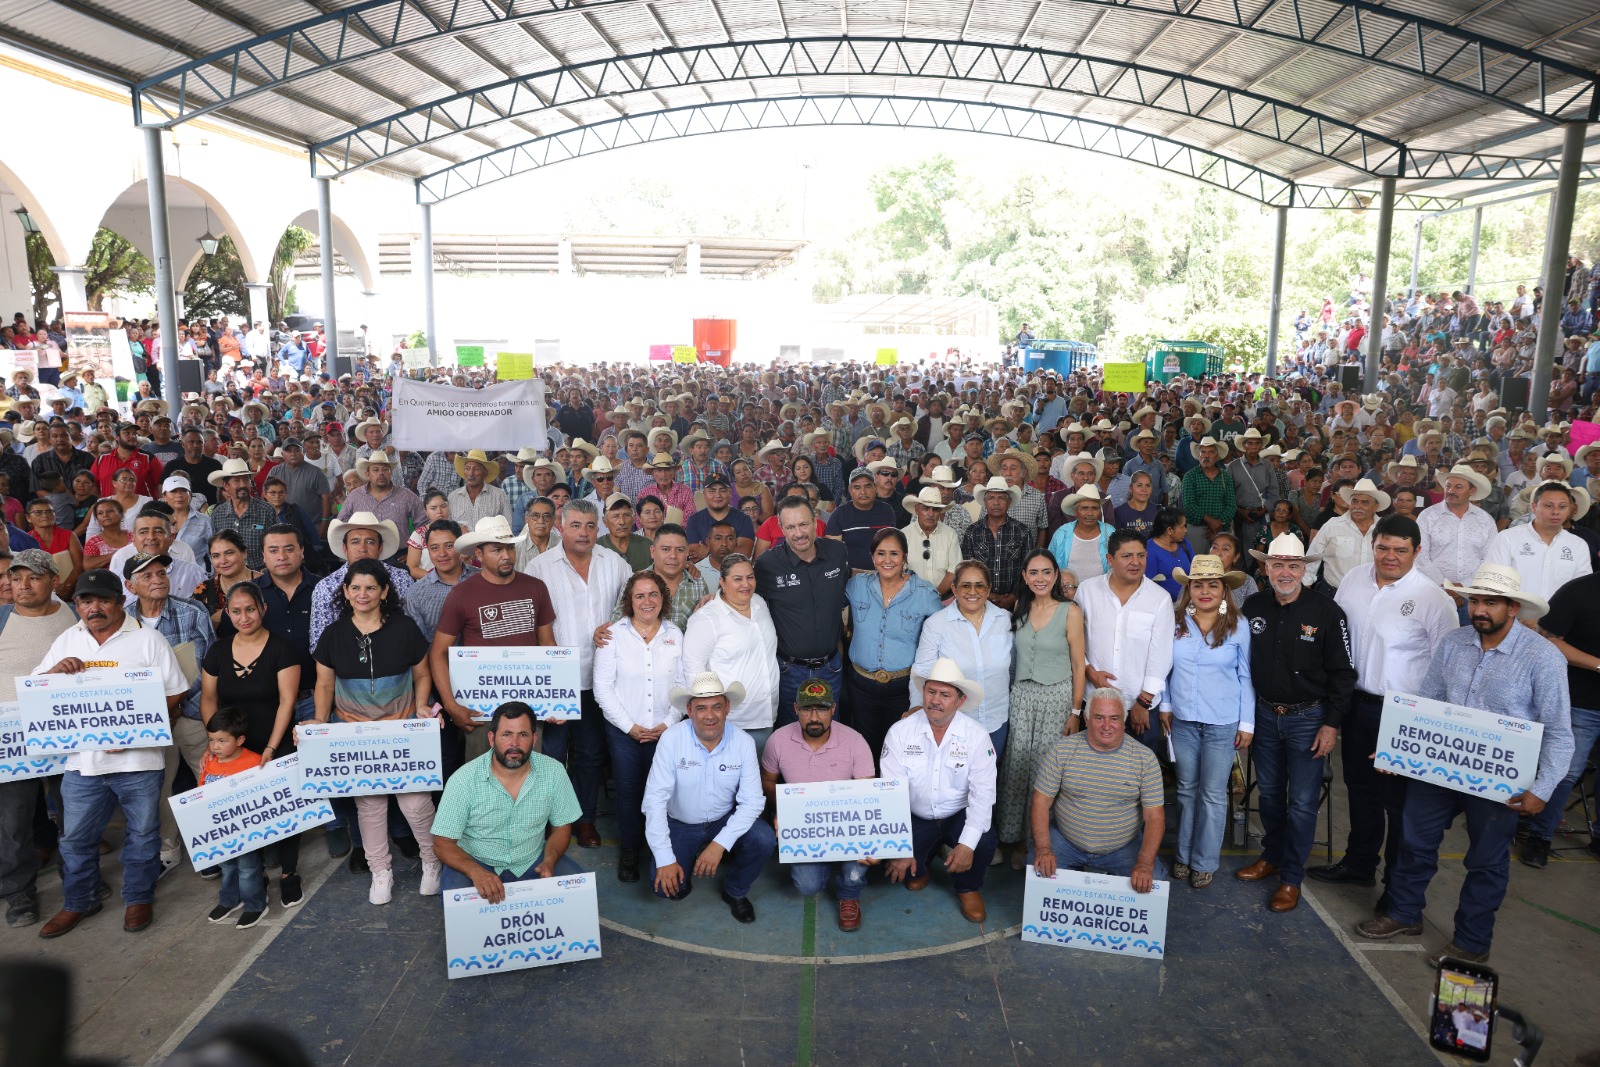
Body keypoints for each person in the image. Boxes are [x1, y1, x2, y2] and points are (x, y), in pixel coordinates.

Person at [1356, 564, 1573, 966]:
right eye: (1475, 600)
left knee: (1486, 860)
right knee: (1413, 839)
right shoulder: (1455, 642)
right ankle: (1404, 913)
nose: (1480, 610)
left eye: (1491, 602)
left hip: (1499, 779)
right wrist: (1398, 750)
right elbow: (1428, 702)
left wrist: (1541, 789)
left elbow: (1560, 733)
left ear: (1513, 608)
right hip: (1441, 764)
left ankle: (1472, 941)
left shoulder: (1542, 658)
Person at [34, 570, 188, 939]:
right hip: (83, 763)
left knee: (143, 833)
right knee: (74, 839)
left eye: (103, 600)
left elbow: (174, 694)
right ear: (78, 605)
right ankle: (79, 900)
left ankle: (138, 897)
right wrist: (56, 671)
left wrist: (133, 730)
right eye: (86, 601)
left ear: (121, 602)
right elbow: (38, 690)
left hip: (139, 761)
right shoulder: (67, 639)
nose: (94, 608)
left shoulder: (148, 640)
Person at [1309, 515, 1455, 902]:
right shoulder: (1355, 579)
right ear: (1373, 546)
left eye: (1400, 550)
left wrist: (1423, 724)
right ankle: (1359, 865)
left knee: (1400, 803)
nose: (1390, 557)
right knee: (1360, 790)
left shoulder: (1433, 600)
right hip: (1355, 703)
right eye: (1383, 548)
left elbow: (1446, 669)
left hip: (1404, 712)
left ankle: (1397, 887)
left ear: (1417, 552)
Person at [307, 558, 442, 906]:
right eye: (355, 588)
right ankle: (380, 871)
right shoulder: (333, 634)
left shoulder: (405, 628)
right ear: (345, 592)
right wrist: (320, 722)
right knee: (369, 806)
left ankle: (433, 861)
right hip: (355, 735)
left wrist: (423, 706)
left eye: (370, 587)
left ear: (384, 592)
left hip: (401, 730)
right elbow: (324, 685)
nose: (362, 594)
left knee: (415, 803)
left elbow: (422, 674)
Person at [1237, 532, 1357, 913]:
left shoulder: (1327, 612)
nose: (1285, 572)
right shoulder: (1253, 606)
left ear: (1304, 569)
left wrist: (1332, 724)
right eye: (1277, 565)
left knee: (1303, 803)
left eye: (1293, 565)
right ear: (1265, 567)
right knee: (1269, 795)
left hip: (1310, 718)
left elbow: (1343, 673)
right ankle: (1272, 856)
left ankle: (1291, 877)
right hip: (1265, 714)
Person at [525, 499, 632, 848]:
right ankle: (550, 821)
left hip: (601, 680)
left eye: (589, 526)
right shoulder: (539, 568)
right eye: (575, 525)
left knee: (590, 754)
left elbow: (633, 608)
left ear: (598, 527)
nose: (583, 533)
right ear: (561, 526)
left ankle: (584, 819)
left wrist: (616, 624)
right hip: (556, 680)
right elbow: (531, 624)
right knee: (551, 755)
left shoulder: (615, 563)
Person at [200, 581, 305, 907]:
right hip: (234, 748)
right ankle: (253, 871)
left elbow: (287, 702)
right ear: (227, 613)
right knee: (243, 813)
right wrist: (216, 742)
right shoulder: (217, 650)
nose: (243, 617)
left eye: (250, 609)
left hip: (275, 740)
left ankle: (288, 873)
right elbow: (208, 699)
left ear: (263, 609)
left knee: (285, 809)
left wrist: (272, 749)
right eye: (235, 611)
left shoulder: (282, 648)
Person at [642, 671, 776, 923]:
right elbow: (654, 801)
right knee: (663, 889)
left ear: (727, 708)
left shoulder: (744, 742)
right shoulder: (671, 739)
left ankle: (735, 890)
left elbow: (753, 802)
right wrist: (665, 858)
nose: (710, 716)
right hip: (680, 823)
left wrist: (719, 844)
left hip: (722, 819)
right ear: (689, 711)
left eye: (716, 707)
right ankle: (686, 863)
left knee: (764, 839)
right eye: (701, 708)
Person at [430, 516, 557, 769]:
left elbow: (548, 645)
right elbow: (438, 653)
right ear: (479, 553)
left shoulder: (536, 588)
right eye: (497, 549)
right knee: (481, 778)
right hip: (481, 711)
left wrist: (557, 700)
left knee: (529, 774)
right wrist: (452, 705)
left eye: (509, 547)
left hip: (529, 704)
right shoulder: (461, 594)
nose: (506, 555)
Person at [881, 658, 999, 923]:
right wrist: (898, 848)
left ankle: (967, 886)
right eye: (930, 691)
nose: (935, 700)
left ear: (960, 700)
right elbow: (891, 794)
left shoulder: (977, 737)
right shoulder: (899, 733)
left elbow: (983, 796)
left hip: (957, 814)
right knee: (898, 870)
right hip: (914, 816)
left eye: (945, 694)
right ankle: (921, 862)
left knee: (983, 840)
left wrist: (966, 845)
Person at [430, 701, 585, 902]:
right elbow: (442, 844)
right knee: (458, 908)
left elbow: (562, 828)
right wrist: (476, 872)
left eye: (523, 735)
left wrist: (550, 860)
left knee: (580, 896)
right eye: (506, 734)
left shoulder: (554, 771)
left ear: (534, 738)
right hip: (477, 861)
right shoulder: (463, 779)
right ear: (492, 739)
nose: (515, 743)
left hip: (532, 859)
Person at [1161, 555, 1253, 889]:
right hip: (1183, 720)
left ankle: (1204, 861)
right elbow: (1166, 669)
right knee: (1186, 790)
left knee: (1213, 795)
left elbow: (1247, 676)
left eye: (1212, 585)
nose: (1204, 591)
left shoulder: (1238, 626)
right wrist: (1166, 706)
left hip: (1223, 721)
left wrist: (1247, 723)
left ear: (1224, 589)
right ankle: (1183, 856)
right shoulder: (1174, 623)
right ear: (1189, 589)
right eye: (1198, 584)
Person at [759, 678, 876, 931]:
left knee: (860, 866)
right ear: (795, 709)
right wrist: (784, 811)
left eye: (821, 709)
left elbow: (869, 794)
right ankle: (826, 865)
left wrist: (872, 839)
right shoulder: (778, 740)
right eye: (806, 709)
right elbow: (768, 780)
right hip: (806, 826)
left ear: (833, 709)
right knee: (808, 885)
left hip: (847, 823)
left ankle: (849, 894)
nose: (814, 717)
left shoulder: (855, 742)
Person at [0, 550, 78, 928]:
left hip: (64, 735)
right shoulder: (1, 620)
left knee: (73, 814)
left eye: (32, 578)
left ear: (52, 579)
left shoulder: (74, 617)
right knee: (14, 822)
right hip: (11, 741)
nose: (22, 586)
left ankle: (77, 881)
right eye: (17, 579)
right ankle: (19, 892)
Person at [594, 570, 685, 884]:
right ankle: (631, 850)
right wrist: (630, 727)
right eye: (639, 595)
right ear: (629, 602)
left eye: (653, 594)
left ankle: (664, 850)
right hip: (624, 733)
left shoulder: (675, 634)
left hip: (666, 731)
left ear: (663, 598)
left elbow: (683, 684)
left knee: (664, 793)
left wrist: (668, 723)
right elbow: (602, 689)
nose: (647, 601)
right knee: (629, 794)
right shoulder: (612, 635)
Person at [1030, 687, 1167, 891]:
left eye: (1114, 718)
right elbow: (1040, 801)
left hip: (1122, 847)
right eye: (1098, 717)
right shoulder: (1062, 750)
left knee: (1153, 880)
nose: (1106, 726)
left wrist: (1145, 864)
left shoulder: (1144, 759)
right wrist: (1043, 849)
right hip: (1066, 842)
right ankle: (1074, 870)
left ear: (1124, 721)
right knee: (1036, 868)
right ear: (1086, 720)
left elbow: (1155, 817)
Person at [999, 549, 1086, 867]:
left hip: (1056, 698)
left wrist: (1076, 712)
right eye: (1033, 572)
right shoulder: (1020, 608)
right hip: (1021, 697)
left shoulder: (1070, 611)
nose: (1040, 578)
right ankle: (1014, 837)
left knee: (1044, 771)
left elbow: (1079, 664)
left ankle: (1038, 843)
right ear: (1024, 576)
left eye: (1046, 572)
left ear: (1056, 576)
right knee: (1017, 767)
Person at [1520, 567, 1600, 866]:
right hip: (1581, 702)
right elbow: (1549, 641)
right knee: (1565, 772)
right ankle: (1540, 837)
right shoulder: (1579, 591)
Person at [843, 528, 943, 762]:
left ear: (905, 557)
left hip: (903, 687)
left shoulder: (924, 592)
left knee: (899, 749)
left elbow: (942, 637)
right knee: (865, 749)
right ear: (872, 557)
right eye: (881, 553)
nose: (887, 560)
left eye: (894, 554)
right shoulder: (856, 586)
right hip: (861, 685)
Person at [755, 497, 850, 726]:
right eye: (790, 527)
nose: (798, 533)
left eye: (803, 524)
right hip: (789, 671)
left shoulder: (838, 553)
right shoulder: (767, 564)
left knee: (829, 731)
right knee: (791, 734)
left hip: (831, 668)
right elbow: (740, 593)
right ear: (782, 529)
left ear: (815, 521)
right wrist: (713, 597)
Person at [1074, 530, 1173, 752]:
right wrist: (1089, 671)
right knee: (1095, 772)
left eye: (1141, 555)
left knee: (1138, 775)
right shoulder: (1087, 591)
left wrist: (1144, 702)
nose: (1135, 562)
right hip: (1096, 702)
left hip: (1141, 707)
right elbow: (1075, 641)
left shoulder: (1159, 599)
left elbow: (1161, 656)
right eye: (1127, 556)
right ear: (1110, 559)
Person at [913, 559, 1013, 759]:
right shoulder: (936, 624)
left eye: (979, 585)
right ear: (954, 589)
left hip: (997, 721)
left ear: (989, 588)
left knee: (986, 783)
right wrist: (918, 710)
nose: (972, 592)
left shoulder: (1006, 620)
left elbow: (1014, 669)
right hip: (953, 722)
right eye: (966, 585)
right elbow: (922, 672)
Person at [683, 553, 780, 748]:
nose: (746, 584)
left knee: (760, 776)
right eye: (737, 579)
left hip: (768, 714)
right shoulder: (706, 618)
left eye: (750, 577)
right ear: (722, 582)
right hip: (732, 722)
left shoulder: (760, 603)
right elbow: (692, 671)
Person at [1484, 480, 1592, 602]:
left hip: (1560, 619)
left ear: (1569, 510)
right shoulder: (1507, 538)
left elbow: (1582, 590)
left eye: (1562, 507)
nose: (1556, 512)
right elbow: (1493, 583)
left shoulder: (1578, 545)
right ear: (1534, 507)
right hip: (1514, 618)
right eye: (1549, 506)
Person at [1305, 477, 1385, 592]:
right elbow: (1313, 556)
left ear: (1375, 507)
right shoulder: (1332, 525)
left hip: (1372, 594)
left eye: (1365, 502)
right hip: (1333, 594)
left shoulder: (1384, 528)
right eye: (1354, 501)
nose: (1358, 507)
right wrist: (1306, 585)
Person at [962, 476, 1031, 609]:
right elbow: (967, 569)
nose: (996, 503)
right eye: (991, 498)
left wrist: (1012, 597)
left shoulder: (1022, 531)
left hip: (1015, 603)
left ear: (1009, 502)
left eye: (1001, 498)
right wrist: (988, 595)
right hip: (979, 600)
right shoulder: (972, 531)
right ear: (985, 502)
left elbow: (1027, 569)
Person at [207, 458, 278, 572]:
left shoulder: (266, 510)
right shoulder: (218, 514)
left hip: (261, 575)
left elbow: (277, 544)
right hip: (229, 576)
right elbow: (215, 549)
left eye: (246, 480)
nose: (242, 485)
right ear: (226, 485)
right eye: (236, 481)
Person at [825, 466, 897, 572]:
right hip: (851, 578)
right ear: (850, 490)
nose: (863, 492)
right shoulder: (839, 514)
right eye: (857, 487)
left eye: (868, 486)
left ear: (875, 487)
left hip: (883, 574)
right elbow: (833, 555)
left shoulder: (886, 511)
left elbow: (892, 545)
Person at [1047, 484, 1114, 581]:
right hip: (1067, 593)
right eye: (1084, 508)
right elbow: (1049, 564)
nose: (1090, 513)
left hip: (1101, 593)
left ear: (1100, 512)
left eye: (1094, 508)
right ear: (1075, 511)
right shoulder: (1062, 533)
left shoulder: (1110, 532)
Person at [1182, 436, 1235, 554]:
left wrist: (1218, 523)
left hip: (1221, 529)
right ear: (1199, 455)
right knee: (1197, 565)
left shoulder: (1225, 476)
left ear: (1217, 456)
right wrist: (1211, 522)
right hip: (1196, 529)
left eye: (1211, 452)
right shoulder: (1190, 476)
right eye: (1203, 452)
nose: (1206, 456)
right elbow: (1189, 505)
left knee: (1220, 566)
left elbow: (1231, 505)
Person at [900, 486, 958, 595]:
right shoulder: (903, 535)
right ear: (917, 510)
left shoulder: (950, 534)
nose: (931, 514)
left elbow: (953, 571)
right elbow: (899, 572)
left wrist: (935, 595)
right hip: (910, 597)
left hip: (943, 597)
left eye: (935, 509)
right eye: (926, 508)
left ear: (940, 511)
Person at [1142, 506, 1194, 600]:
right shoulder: (1149, 550)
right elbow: (1149, 584)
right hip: (1163, 604)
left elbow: (1195, 571)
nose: (1185, 531)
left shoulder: (1185, 544)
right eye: (1182, 527)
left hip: (1189, 602)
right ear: (1170, 530)